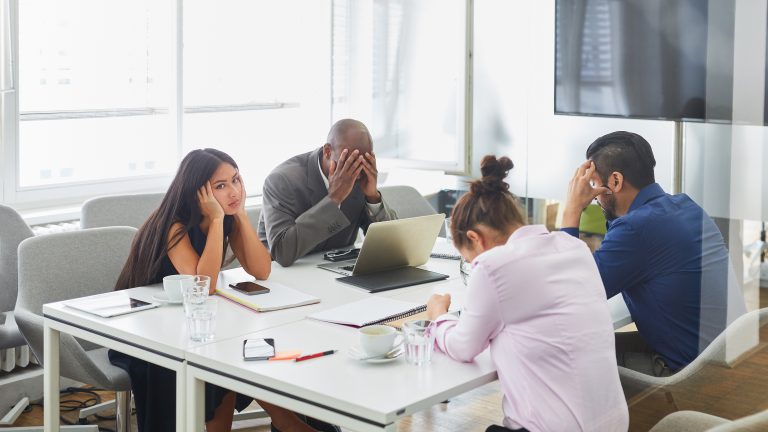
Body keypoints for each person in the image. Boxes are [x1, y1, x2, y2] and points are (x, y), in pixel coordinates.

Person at [109, 148, 322, 432]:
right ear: (198, 193)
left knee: (235, 346)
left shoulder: (228, 216)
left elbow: (261, 270)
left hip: (188, 321)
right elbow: (204, 286)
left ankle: (286, 421)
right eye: (220, 186)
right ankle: (287, 422)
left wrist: (240, 215)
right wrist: (218, 221)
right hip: (145, 332)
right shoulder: (173, 225)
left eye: (236, 180)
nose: (233, 191)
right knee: (223, 353)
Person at [426, 156, 628, 432]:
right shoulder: (575, 248)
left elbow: (463, 347)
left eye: (470, 259)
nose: (474, 265)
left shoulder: (493, 266)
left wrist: (439, 317)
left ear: (475, 238)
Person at [562, 131, 746, 375]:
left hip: (694, 377)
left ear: (615, 181)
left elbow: (567, 293)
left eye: (594, 184)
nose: (592, 194)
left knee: (565, 354)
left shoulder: (636, 228)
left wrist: (572, 208)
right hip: (731, 363)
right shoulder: (686, 206)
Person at [258, 119, 396, 266]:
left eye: (364, 161)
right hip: (285, 271)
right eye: (349, 161)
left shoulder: (360, 177)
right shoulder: (282, 180)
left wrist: (372, 197)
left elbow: (393, 244)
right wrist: (334, 198)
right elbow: (282, 252)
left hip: (337, 267)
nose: (356, 170)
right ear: (328, 151)